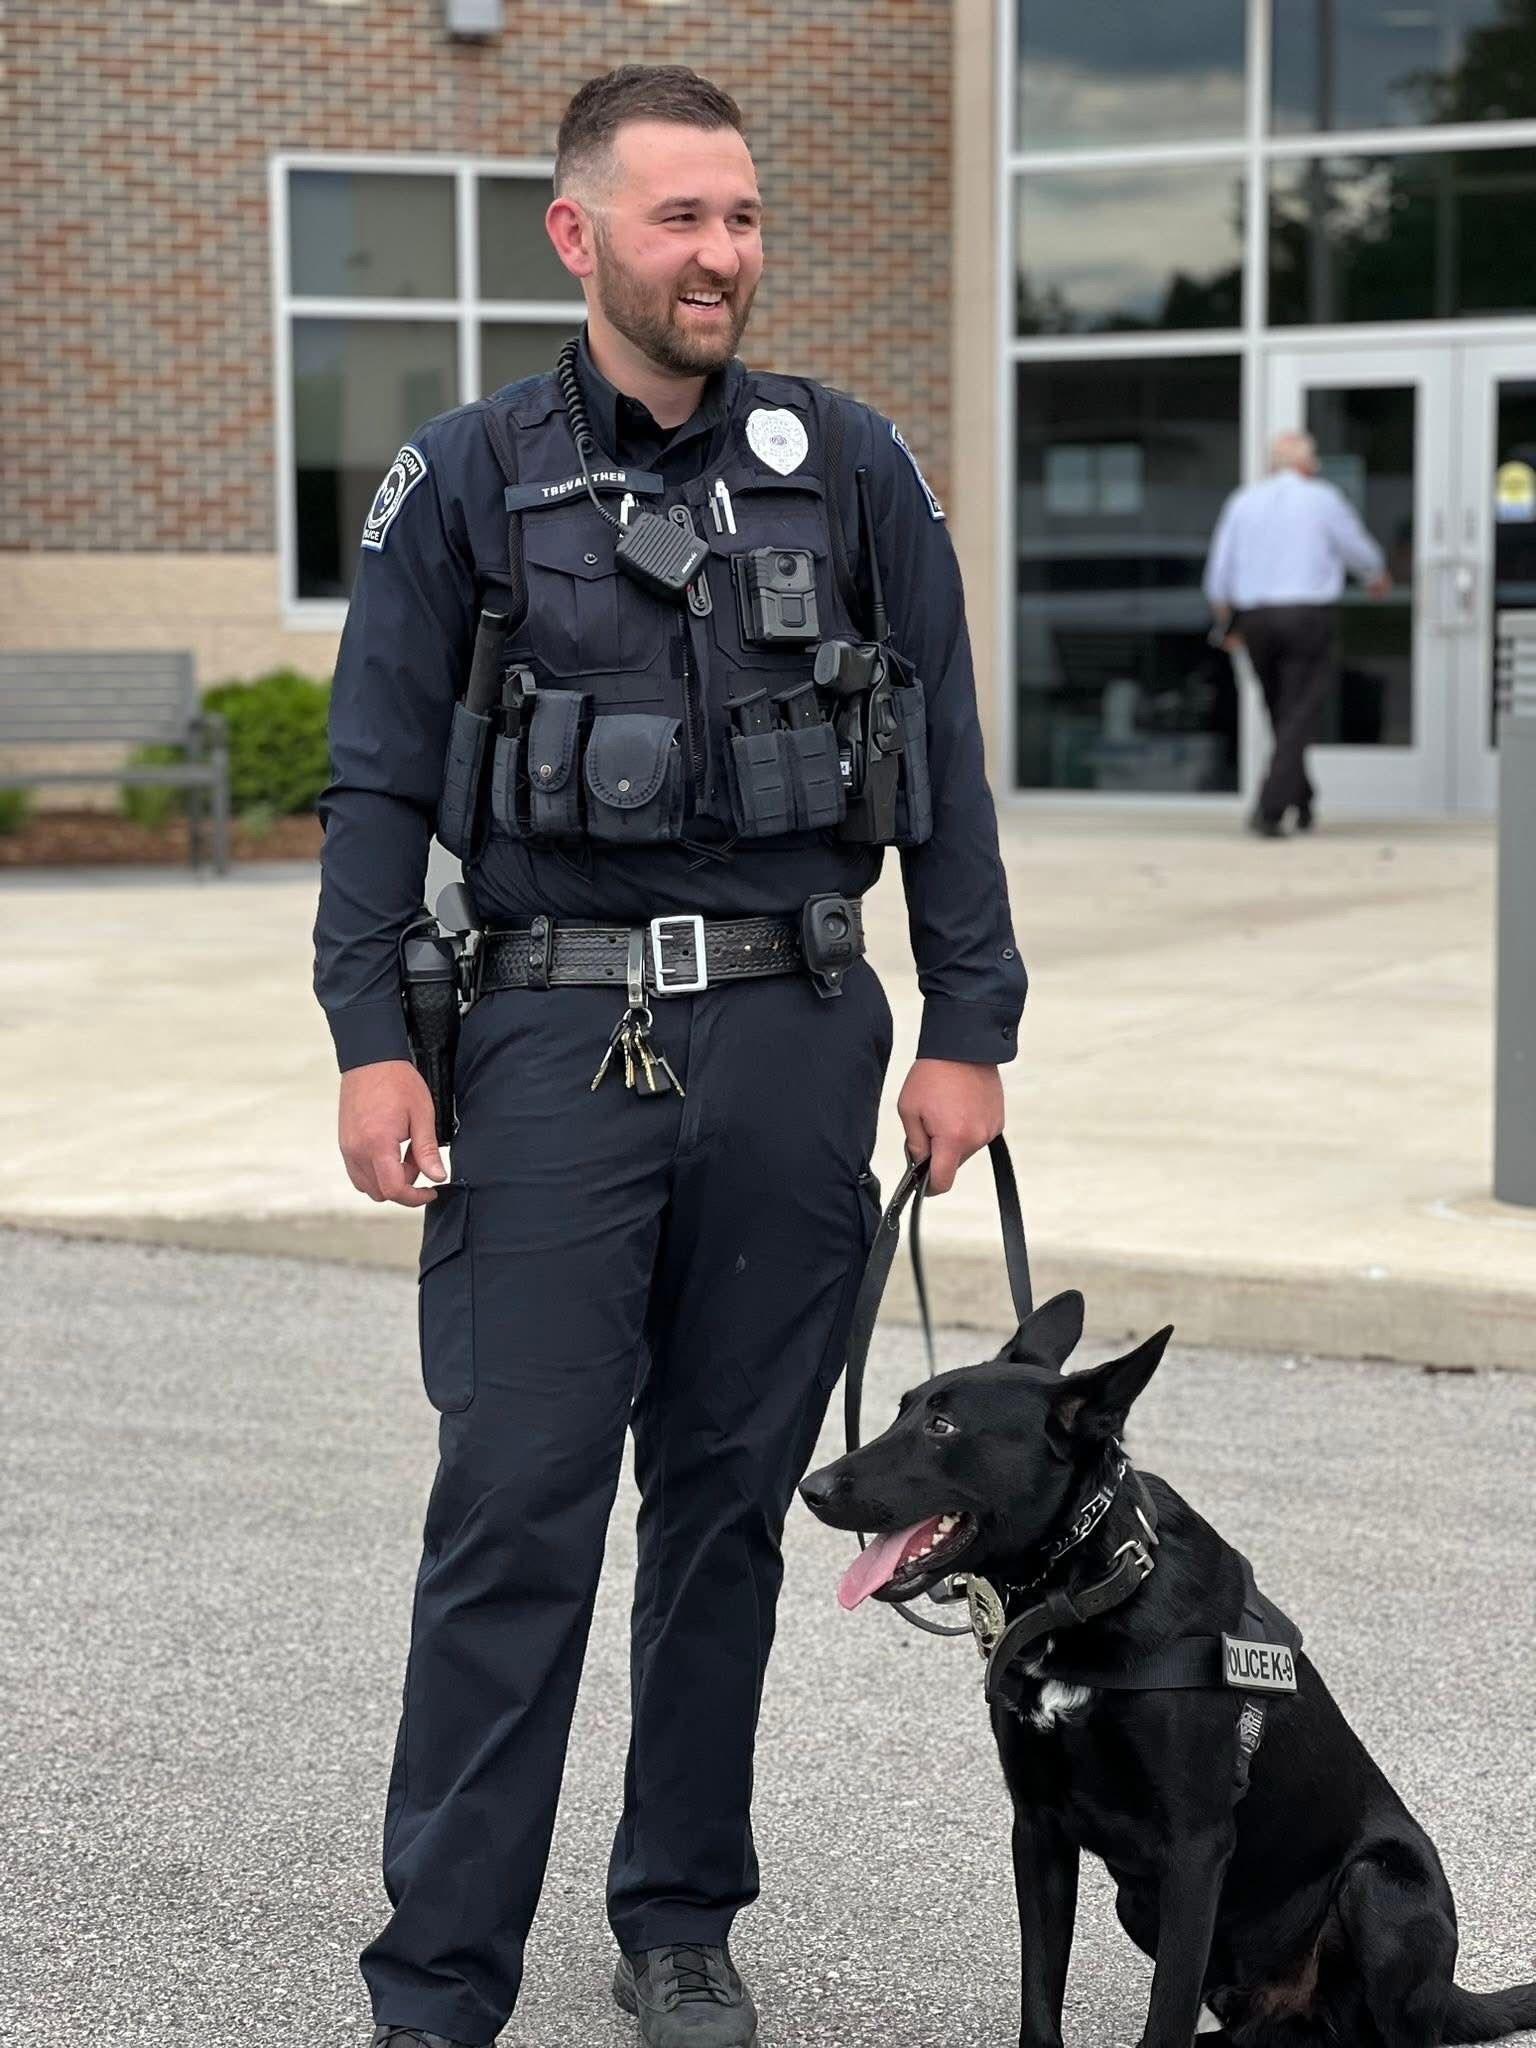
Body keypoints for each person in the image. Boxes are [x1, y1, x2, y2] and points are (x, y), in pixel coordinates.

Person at [313, 64, 1025, 2048]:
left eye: (741, 217)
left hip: (803, 1033)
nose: (721, 254)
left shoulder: (852, 461)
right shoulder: (463, 477)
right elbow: (374, 782)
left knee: (724, 1508)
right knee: (518, 1503)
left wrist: (970, 1023)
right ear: (580, 237)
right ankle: (440, 1971)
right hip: (547, 1033)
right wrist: (372, 1037)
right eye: (678, 220)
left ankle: (679, 1915)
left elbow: (949, 767)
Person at [1203, 429, 1390, 836]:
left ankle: (1302, 799)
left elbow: (1219, 574)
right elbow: (1357, 549)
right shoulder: (1322, 498)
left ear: (1274, 464)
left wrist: (1227, 622)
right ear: (1309, 463)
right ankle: (1270, 810)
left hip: (1256, 618)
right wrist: (1376, 576)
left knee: (1282, 711)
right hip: (1307, 615)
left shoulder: (1243, 502)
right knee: (1299, 712)